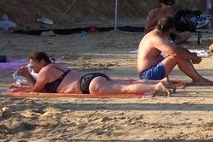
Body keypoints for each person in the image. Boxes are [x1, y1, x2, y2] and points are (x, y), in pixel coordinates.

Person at [11, 51, 175, 96]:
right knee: (126, 84)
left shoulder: (45, 71)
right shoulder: (56, 65)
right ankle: (159, 83)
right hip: (90, 78)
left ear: (41, 62)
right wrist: (29, 73)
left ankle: (158, 85)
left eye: (33, 65)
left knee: (124, 89)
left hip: (87, 85)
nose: (33, 68)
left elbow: (36, 89)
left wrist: (26, 75)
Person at [137, 19, 213, 85]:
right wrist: (193, 58)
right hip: (147, 75)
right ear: (170, 29)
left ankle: (198, 79)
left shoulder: (160, 35)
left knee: (180, 55)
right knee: (177, 57)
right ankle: (198, 80)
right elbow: (175, 53)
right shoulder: (155, 38)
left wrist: (190, 55)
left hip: (152, 71)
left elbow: (177, 48)